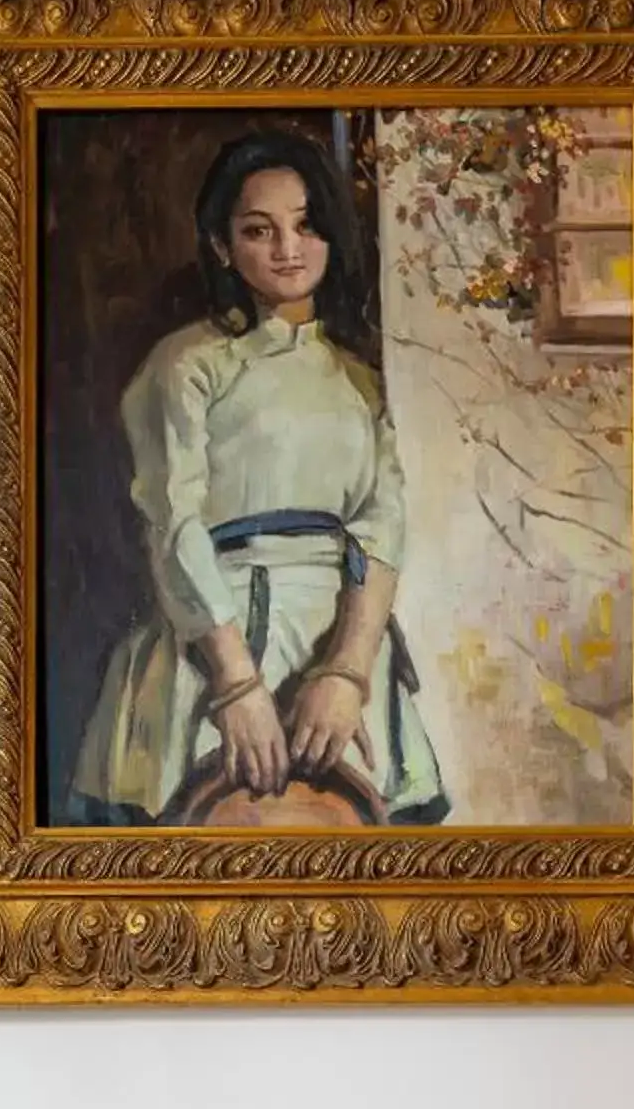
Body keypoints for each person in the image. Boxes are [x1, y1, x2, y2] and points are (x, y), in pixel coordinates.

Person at [68, 129, 447, 824]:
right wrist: (236, 685)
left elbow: (380, 528)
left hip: (334, 645)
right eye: (259, 230)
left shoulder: (358, 381)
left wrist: (347, 670)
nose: (287, 249)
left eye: (306, 226)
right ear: (221, 245)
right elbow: (174, 521)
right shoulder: (186, 365)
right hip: (213, 643)